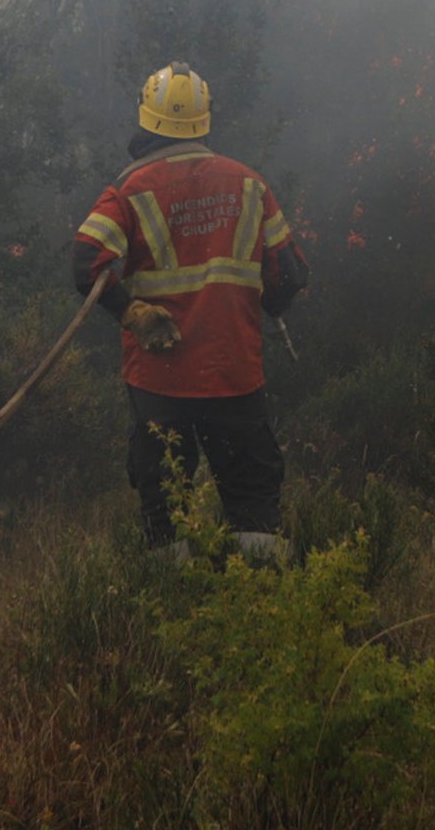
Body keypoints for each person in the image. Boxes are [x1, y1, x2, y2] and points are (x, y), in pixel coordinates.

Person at [73, 62, 308, 561]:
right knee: (251, 497)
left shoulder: (130, 190)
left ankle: (172, 615)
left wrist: (131, 311)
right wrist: (267, 303)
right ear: (205, 120)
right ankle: (262, 606)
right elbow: (290, 274)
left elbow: (85, 261)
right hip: (234, 373)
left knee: (165, 501)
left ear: (145, 120)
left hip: (161, 378)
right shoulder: (249, 184)